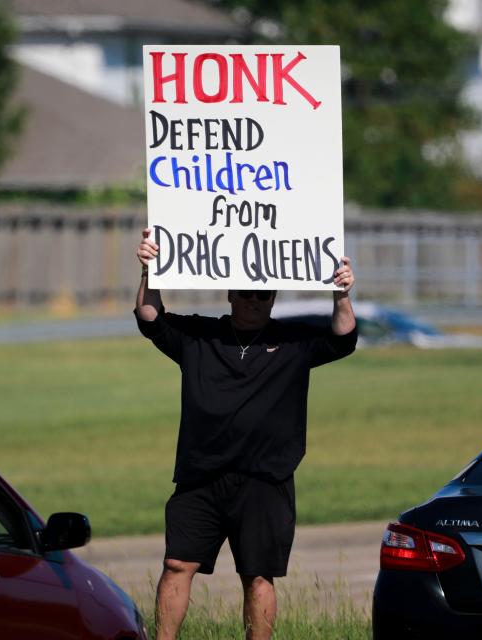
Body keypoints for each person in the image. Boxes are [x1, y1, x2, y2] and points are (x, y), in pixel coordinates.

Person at [134, 227, 357, 640]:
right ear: (230, 294)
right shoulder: (200, 335)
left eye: (263, 294)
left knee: (258, 577)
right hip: (201, 475)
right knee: (177, 564)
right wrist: (150, 269)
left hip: (264, 479)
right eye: (246, 292)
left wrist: (341, 293)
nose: (254, 300)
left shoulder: (293, 341)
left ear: (274, 298)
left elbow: (343, 339)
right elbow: (150, 319)